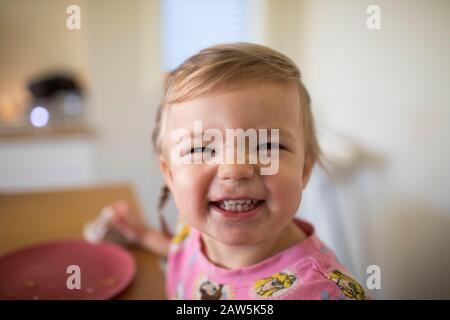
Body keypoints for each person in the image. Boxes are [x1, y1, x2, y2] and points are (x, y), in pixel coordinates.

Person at [109, 43, 367, 300]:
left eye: (267, 145)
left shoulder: (326, 292)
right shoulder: (194, 225)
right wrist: (143, 235)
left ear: (304, 170)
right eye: (200, 149)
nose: (235, 169)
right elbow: (185, 255)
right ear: (170, 174)